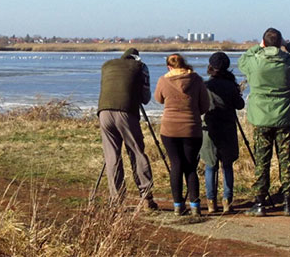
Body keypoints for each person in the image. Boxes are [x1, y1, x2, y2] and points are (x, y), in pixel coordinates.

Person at [238, 28, 290, 216]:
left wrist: (258, 47)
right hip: (285, 116)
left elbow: (242, 60)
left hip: (261, 118)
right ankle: (289, 202)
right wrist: (289, 46)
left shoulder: (255, 62)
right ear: (280, 43)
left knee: (262, 161)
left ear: (264, 42)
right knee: (287, 160)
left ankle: (260, 203)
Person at [98, 48, 158, 210]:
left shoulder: (107, 65)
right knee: (137, 152)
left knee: (112, 157)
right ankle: (146, 197)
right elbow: (145, 98)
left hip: (103, 112)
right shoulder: (140, 67)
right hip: (126, 112)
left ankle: (116, 200)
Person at [154, 53, 209, 216]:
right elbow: (205, 105)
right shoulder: (197, 79)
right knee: (191, 166)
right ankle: (195, 205)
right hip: (192, 127)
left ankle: (178, 204)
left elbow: (158, 99)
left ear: (169, 67)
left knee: (176, 165)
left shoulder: (164, 80)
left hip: (169, 128)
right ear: (184, 64)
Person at [200, 52, 245, 213]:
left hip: (210, 128)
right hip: (227, 128)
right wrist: (237, 92)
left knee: (210, 166)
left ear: (211, 66)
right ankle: (227, 201)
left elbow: (200, 106)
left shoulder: (206, 86)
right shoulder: (230, 85)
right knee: (227, 166)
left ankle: (211, 203)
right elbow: (240, 105)